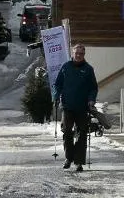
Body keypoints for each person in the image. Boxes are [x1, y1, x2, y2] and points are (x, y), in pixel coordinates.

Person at [53, 43, 98, 173]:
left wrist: (91, 100)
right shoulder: (66, 67)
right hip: (67, 106)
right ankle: (68, 158)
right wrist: (56, 96)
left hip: (83, 107)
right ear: (73, 53)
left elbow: (93, 87)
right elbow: (58, 84)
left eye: (81, 53)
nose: (78, 55)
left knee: (82, 134)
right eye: (76, 53)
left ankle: (78, 162)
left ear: (84, 55)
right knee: (67, 132)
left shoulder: (88, 69)